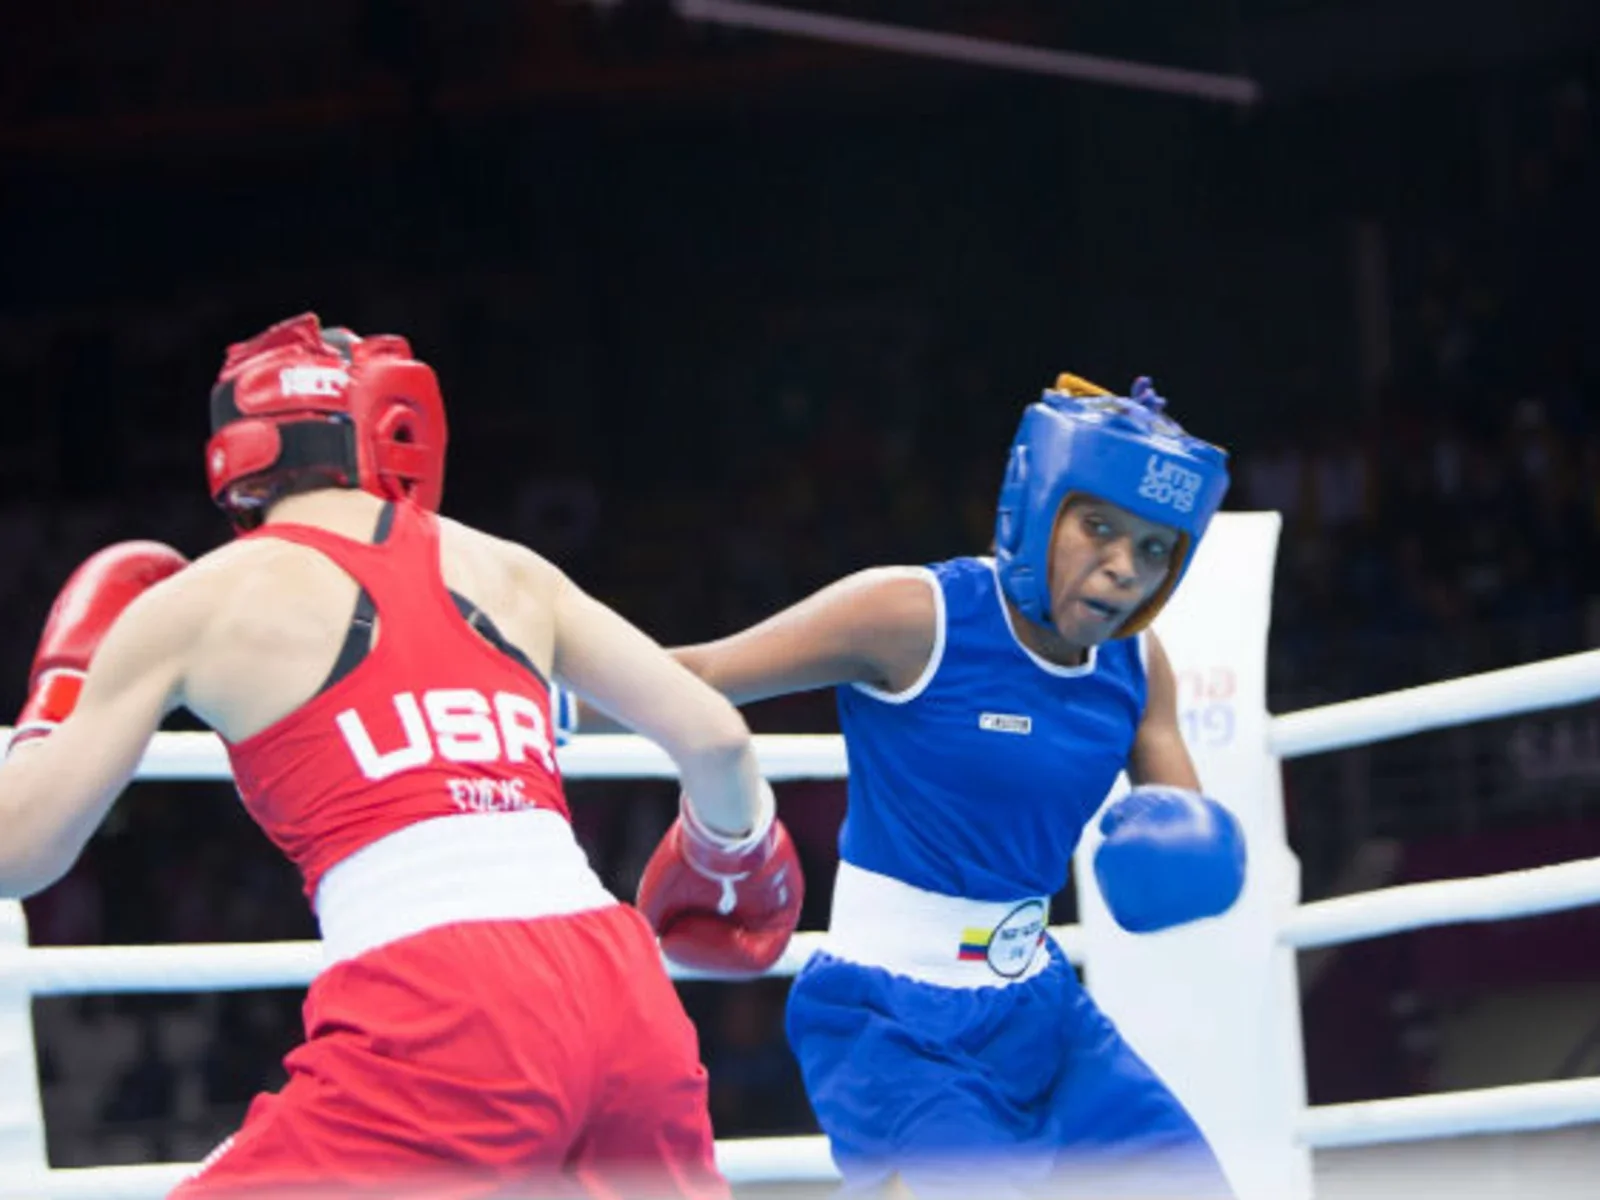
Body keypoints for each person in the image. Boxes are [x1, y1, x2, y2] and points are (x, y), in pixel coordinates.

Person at [0, 312, 803, 1199]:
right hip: (622, 989)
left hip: (441, 1007)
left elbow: (19, 855)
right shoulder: (510, 569)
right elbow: (719, 739)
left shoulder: (201, 603)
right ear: (386, 426)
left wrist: (55, 709)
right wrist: (731, 857)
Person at [624, 372, 1248, 1197]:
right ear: (1039, 504)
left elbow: (1185, 822)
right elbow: (696, 673)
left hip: (1043, 1010)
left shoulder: (1136, 666)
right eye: (1099, 527)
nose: (1123, 567)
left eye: (1154, 548)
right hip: (892, 1023)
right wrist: (523, 681)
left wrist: (1194, 856)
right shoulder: (917, 616)